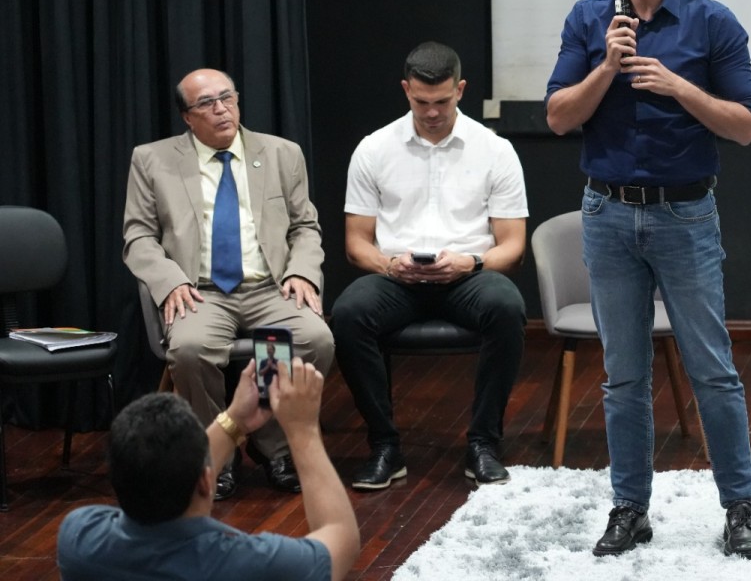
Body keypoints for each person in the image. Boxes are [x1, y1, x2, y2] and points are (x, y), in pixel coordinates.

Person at [545, 0, 751, 558]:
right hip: (607, 214)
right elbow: (558, 117)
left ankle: (739, 508)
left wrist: (679, 87)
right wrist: (606, 68)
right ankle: (629, 509)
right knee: (623, 377)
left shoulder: (712, 22)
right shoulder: (589, 19)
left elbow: (746, 126)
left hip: (684, 216)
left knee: (713, 370)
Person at [123, 68, 335, 500]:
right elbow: (138, 236)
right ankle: (219, 451)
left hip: (269, 288)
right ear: (187, 117)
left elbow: (305, 227)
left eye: (227, 98)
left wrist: (300, 271)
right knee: (189, 350)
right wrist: (170, 281)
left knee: (315, 339)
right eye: (206, 103)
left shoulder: (281, 153)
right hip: (200, 290)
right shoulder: (152, 159)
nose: (221, 109)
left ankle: (275, 446)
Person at [330, 41, 528, 490]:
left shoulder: (495, 150)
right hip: (397, 277)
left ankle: (484, 443)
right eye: (422, 102)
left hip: (467, 275)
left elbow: (513, 247)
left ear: (460, 89)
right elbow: (356, 243)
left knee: (507, 307)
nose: (433, 112)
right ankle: (384, 446)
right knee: (347, 313)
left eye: (442, 101)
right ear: (406, 90)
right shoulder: (374, 149)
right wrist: (389, 265)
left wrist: (469, 262)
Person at [57, 358, 361, 580]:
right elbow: (341, 536)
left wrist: (235, 419)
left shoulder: (79, 540)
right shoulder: (253, 564)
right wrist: (302, 430)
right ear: (206, 479)